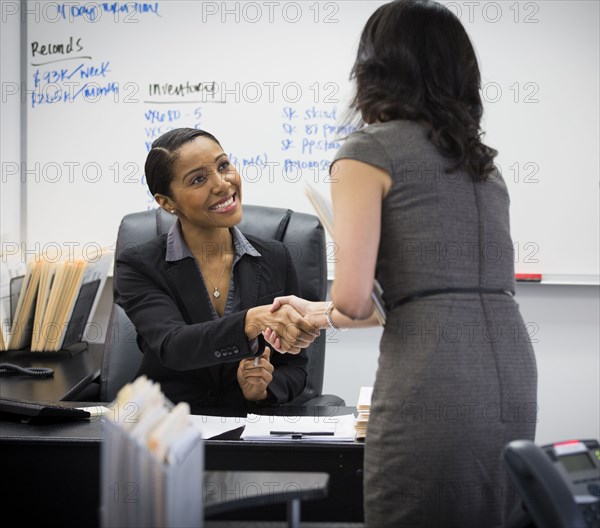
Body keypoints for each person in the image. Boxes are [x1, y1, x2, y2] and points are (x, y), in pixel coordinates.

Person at [266, 1, 538, 526]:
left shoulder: (368, 151)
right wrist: (314, 310)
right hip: (512, 369)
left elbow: (352, 301)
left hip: (436, 372)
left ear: (374, 68)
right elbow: (395, 302)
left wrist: (314, 314)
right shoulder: (481, 163)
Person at [114, 127, 320, 413]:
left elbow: (296, 367)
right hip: (166, 429)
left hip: (247, 434)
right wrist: (251, 321)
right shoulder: (139, 265)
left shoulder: (275, 257)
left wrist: (263, 389)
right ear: (166, 202)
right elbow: (174, 345)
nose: (222, 183)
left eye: (223, 165)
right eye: (198, 179)